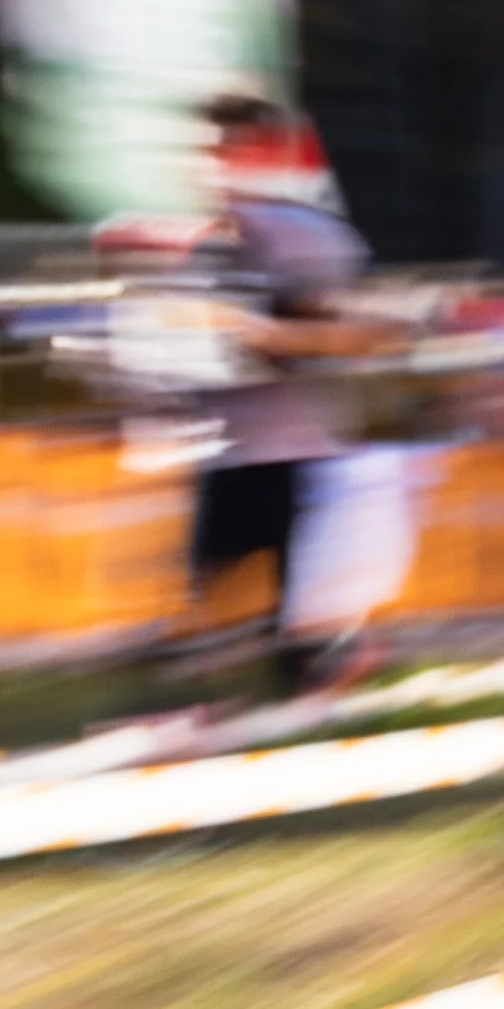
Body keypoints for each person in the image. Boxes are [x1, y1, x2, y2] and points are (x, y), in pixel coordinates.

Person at [184, 92, 406, 695]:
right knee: (217, 593)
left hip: (297, 451)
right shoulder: (211, 243)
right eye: (207, 150)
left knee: (284, 612)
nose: (212, 165)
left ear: (266, 153)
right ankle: (285, 676)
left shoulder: (307, 237)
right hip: (234, 443)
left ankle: (327, 667)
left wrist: (265, 335)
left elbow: (363, 331)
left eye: (227, 149)